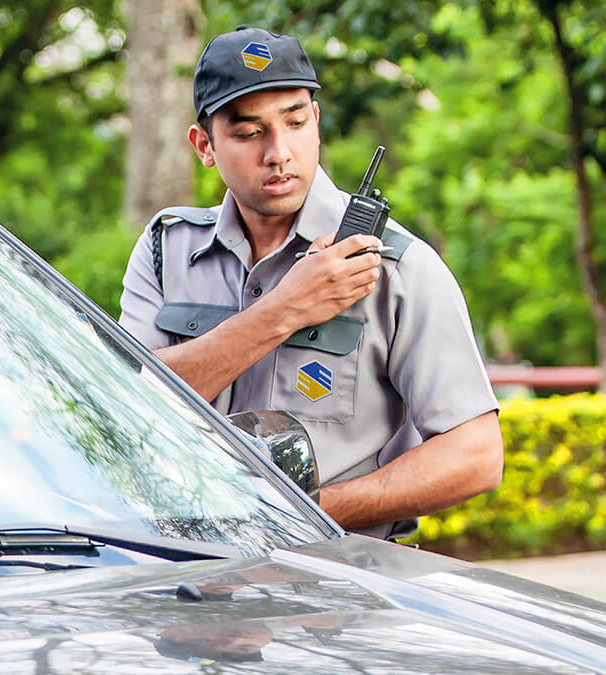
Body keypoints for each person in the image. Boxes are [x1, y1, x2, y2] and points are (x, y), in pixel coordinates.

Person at [118, 26, 502, 538]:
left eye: (295, 122)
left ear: (316, 122)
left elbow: (475, 455)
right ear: (204, 145)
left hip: (338, 591)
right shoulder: (169, 249)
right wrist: (286, 310)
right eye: (249, 133)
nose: (278, 152)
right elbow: (127, 406)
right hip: (181, 574)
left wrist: (306, 514)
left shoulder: (397, 266)